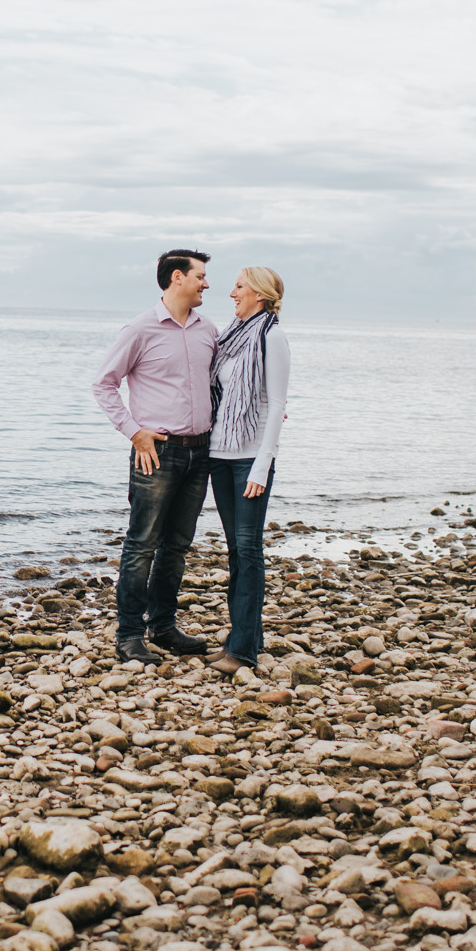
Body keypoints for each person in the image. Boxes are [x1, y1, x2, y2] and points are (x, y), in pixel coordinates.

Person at [91, 249, 219, 664]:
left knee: (177, 546)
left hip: (200, 452)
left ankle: (163, 626)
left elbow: (222, 383)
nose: (206, 283)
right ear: (177, 278)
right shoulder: (139, 329)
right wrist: (134, 433)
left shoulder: (208, 330)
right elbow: (104, 385)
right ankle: (129, 635)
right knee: (142, 544)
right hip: (156, 454)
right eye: (200, 276)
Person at [205, 267, 290, 675]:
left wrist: (262, 464)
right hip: (219, 455)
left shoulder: (272, 336)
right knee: (236, 551)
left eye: (239, 286)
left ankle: (242, 652)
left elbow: (275, 404)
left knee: (249, 550)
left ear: (259, 293)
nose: (232, 293)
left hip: (249, 459)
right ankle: (244, 637)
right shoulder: (232, 337)